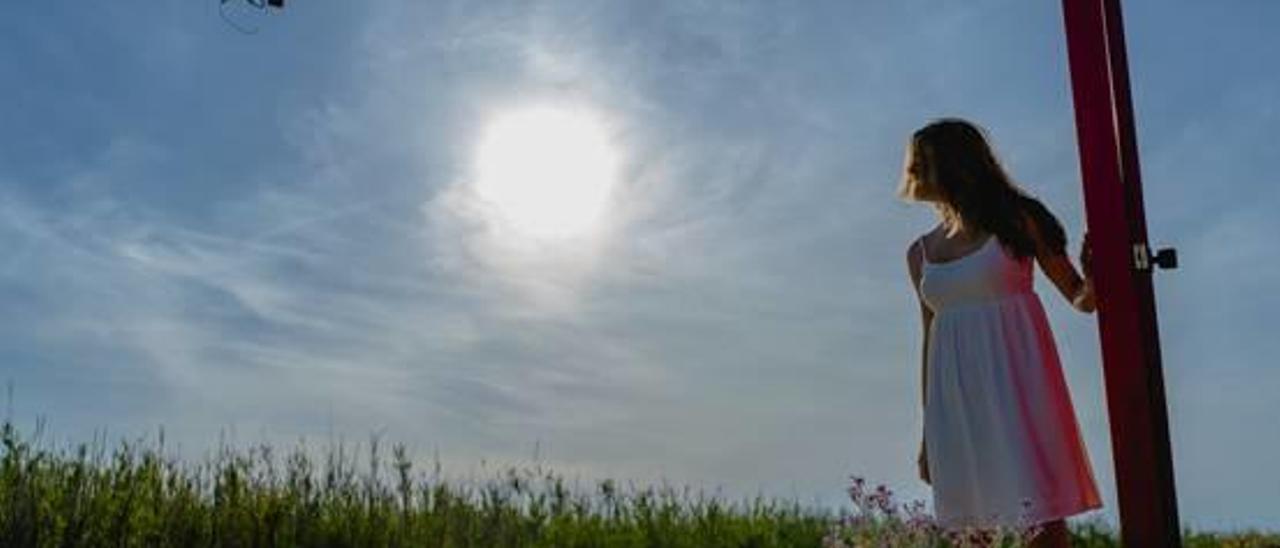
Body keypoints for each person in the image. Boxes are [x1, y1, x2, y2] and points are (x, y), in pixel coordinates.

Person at [901, 118, 1103, 547]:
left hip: (1020, 391)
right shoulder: (919, 254)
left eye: (923, 160)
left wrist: (1095, 279)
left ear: (957, 164)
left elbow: (1080, 298)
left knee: (1042, 525)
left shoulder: (1019, 220)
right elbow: (928, 341)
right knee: (972, 531)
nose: (912, 169)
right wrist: (927, 435)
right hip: (955, 405)